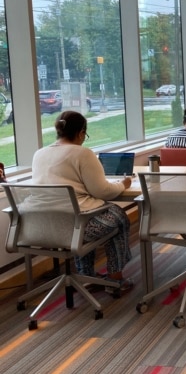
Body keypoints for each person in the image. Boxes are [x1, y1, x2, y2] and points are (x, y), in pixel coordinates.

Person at [31, 111, 133, 292]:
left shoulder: (39, 154)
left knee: (89, 215)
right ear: (80, 133)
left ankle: (87, 275)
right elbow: (103, 191)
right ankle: (115, 279)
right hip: (76, 227)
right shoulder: (82, 153)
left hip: (41, 226)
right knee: (118, 216)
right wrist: (123, 184)